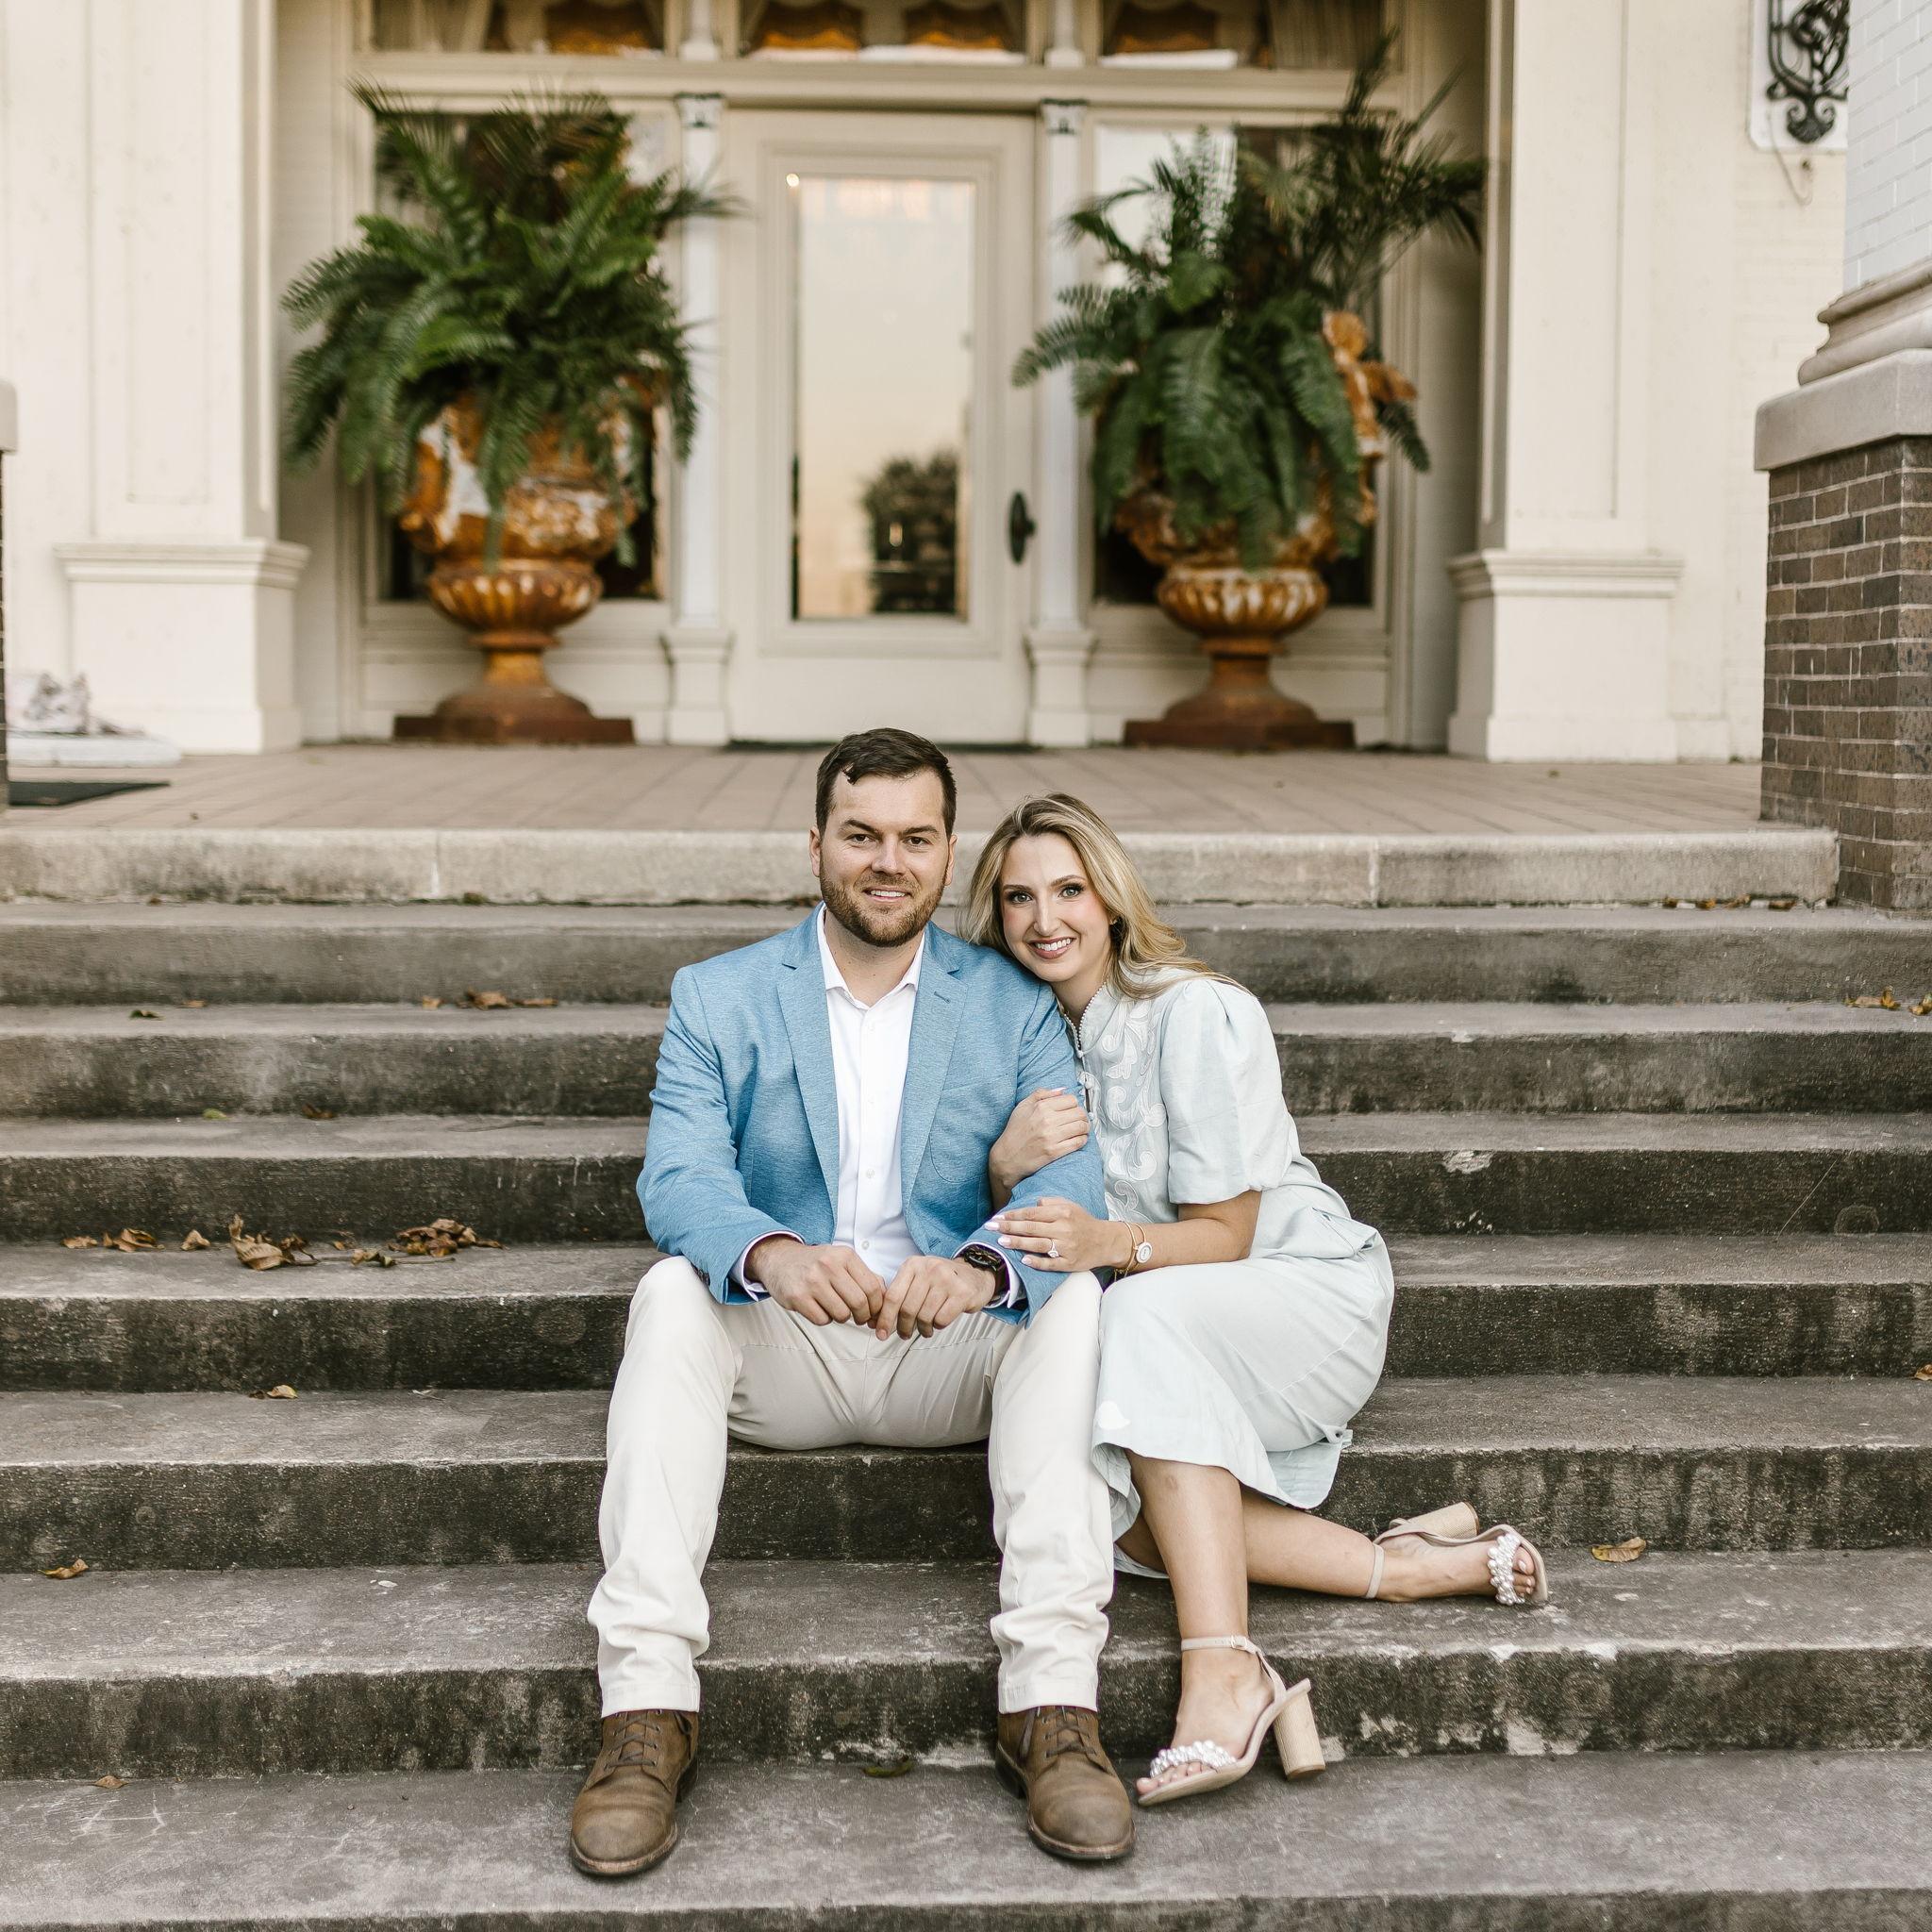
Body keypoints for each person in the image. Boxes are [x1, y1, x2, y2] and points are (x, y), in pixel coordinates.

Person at [572, 733, 1135, 1878]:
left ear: (946, 852)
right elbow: (678, 1176)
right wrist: (772, 1253)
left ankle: (1052, 1704)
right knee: (669, 1290)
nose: (888, 860)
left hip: (945, 1347)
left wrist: (978, 1266)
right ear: (816, 844)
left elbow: (1072, 1178)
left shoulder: (1012, 999)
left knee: (1070, 1301)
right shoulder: (719, 994)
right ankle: (642, 1710)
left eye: (914, 837)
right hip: (791, 1347)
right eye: (862, 834)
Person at [964, 792, 1548, 1807]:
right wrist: (1001, 1170)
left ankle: (1223, 1668)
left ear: (1111, 899)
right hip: (1161, 1329)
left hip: (1296, 1295)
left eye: (1068, 889)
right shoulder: (1027, 1036)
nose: (1043, 918)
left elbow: (1224, 1235)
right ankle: (1407, 1566)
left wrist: (1103, 1243)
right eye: (1018, 897)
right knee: (1098, 1493)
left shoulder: (1193, 1011)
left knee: (1135, 1322)